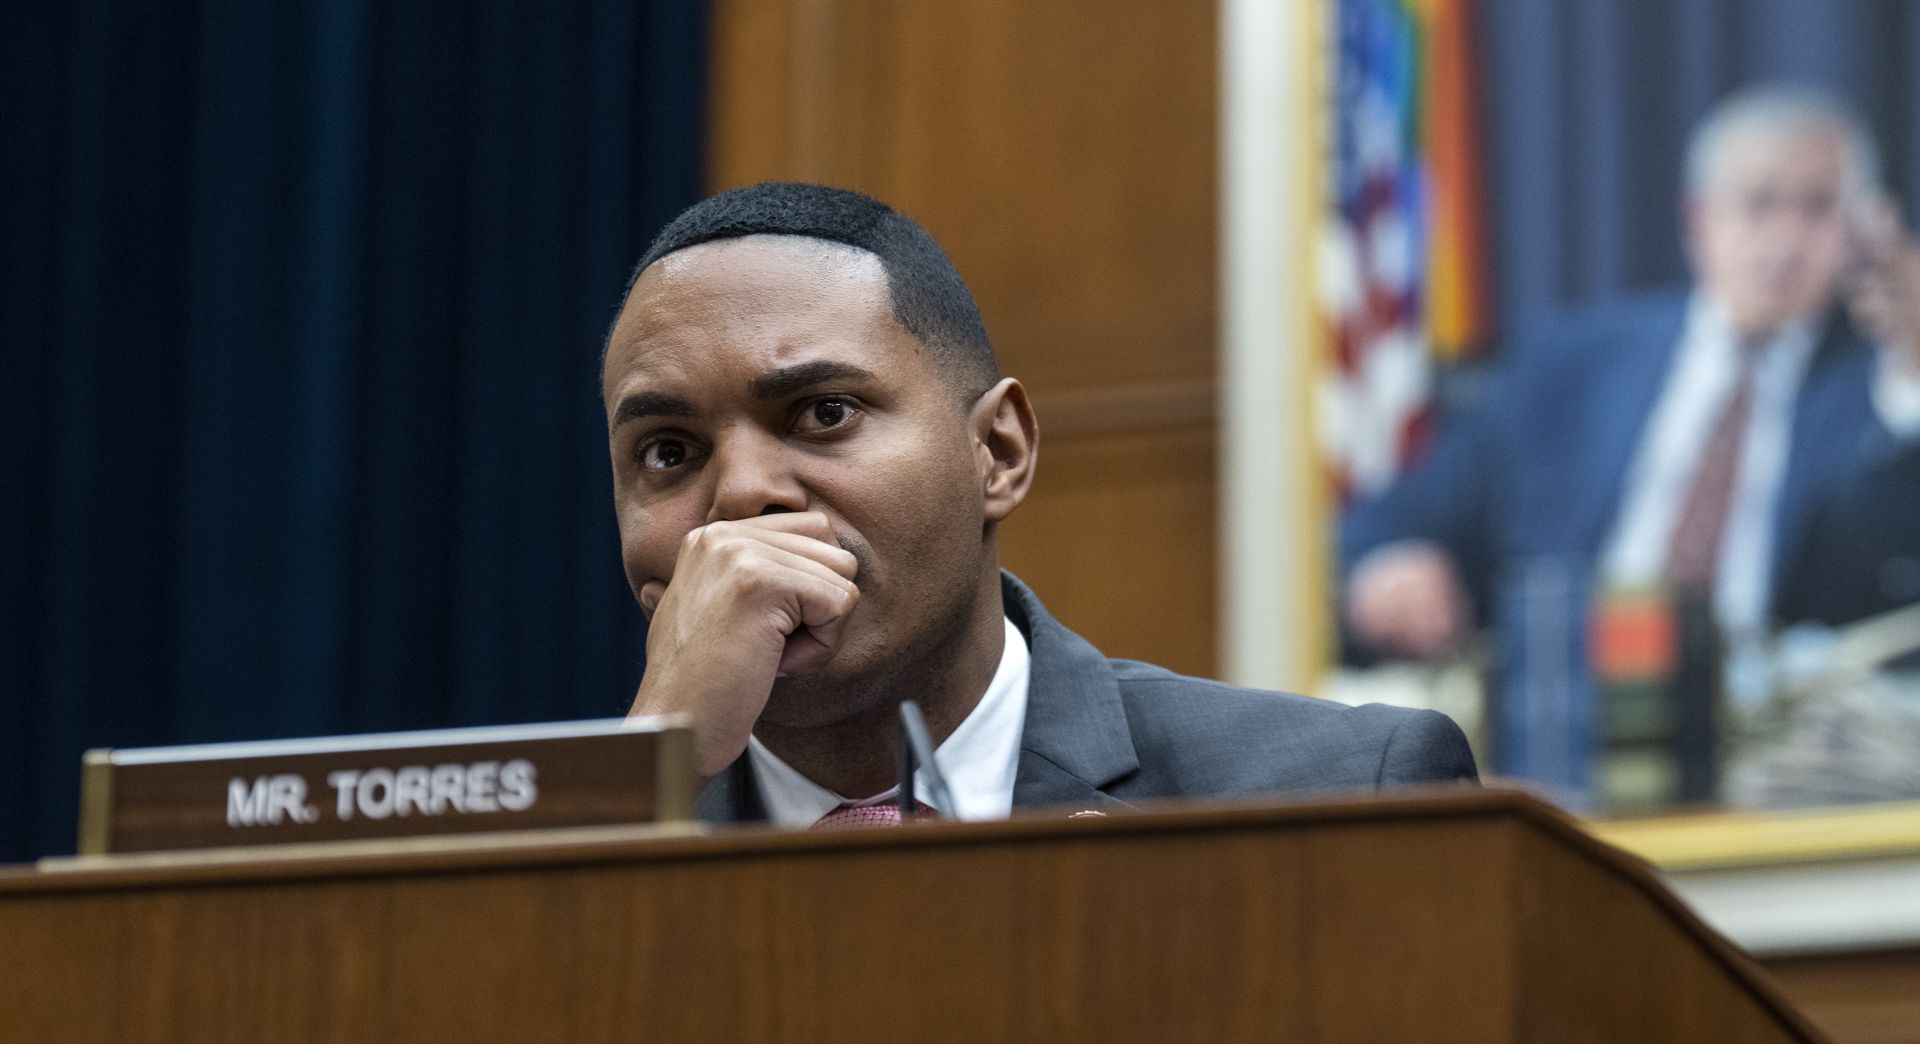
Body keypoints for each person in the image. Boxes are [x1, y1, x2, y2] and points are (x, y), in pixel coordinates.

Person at [601, 182, 1476, 828]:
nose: (744, 494)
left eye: (824, 414)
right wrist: (653, 769)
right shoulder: (550, 836)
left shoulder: (1341, 798)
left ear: (1000, 452)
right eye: (668, 452)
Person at [1342, 86, 1920, 796]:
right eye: (1760, 203)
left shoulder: (1884, 377)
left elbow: (1893, 548)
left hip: (1776, 762)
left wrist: (1910, 374)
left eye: (1818, 206)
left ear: (1861, 231)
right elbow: (1390, 520)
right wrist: (1394, 563)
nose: (1786, 239)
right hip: (1558, 737)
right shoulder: (1571, 367)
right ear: (1699, 221)